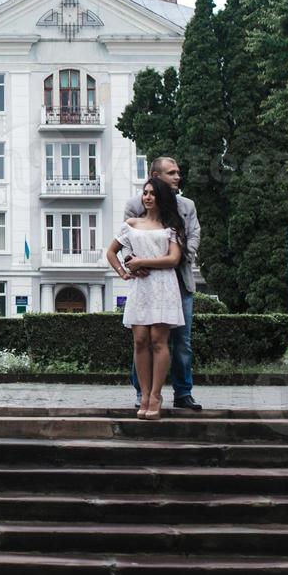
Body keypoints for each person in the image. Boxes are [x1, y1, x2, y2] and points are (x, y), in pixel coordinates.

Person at [124, 157, 203, 411]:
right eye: (172, 173)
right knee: (143, 340)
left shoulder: (187, 205)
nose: (178, 177)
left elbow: (193, 236)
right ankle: (142, 393)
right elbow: (124, 243)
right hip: (145, 282)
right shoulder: (134, 205)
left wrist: (177, 258)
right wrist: (133, 261)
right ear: (155, 176)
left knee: (182, 340)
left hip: (178, 280)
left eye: (178, 172)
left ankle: (183, 392)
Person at [107, 178, 187, 420]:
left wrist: (141, 261)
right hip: (141, 287)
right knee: (140, 340)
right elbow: (111, 252)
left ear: (162, 197)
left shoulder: (172, 226)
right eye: (145, 193)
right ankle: (143, 395)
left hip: (164, 285)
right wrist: (123, 272)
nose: (147, 197)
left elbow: (173, 259)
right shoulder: (131, 224)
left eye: (152, 193)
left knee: (158, 341)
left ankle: (155, 395)